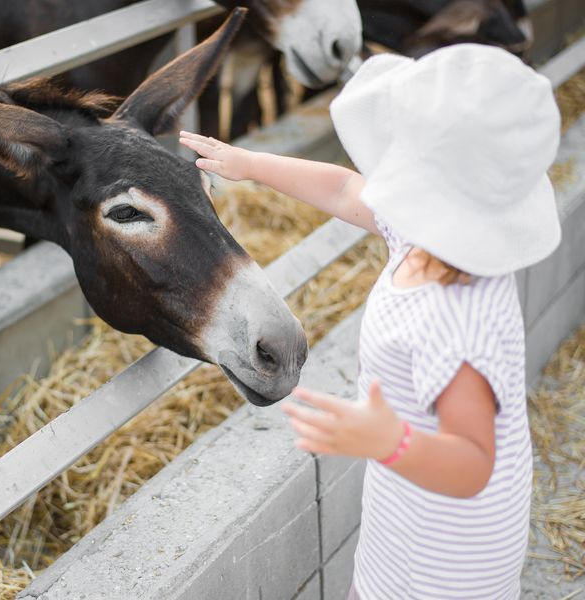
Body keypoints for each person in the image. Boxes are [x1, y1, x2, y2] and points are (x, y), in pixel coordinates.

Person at [180, 44, 561, 599]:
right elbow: (341, 188)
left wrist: (390, 440)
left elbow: (474, 462)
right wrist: (249, 165)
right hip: (410, 501)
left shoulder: (454, 315)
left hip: (450, 556)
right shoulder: (429, 232)